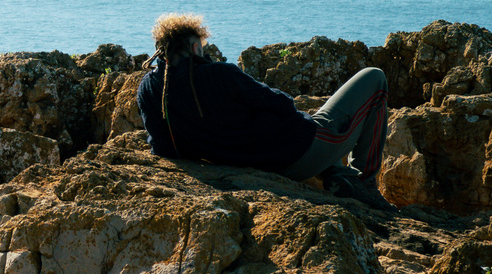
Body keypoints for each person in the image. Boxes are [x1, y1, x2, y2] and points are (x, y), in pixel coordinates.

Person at [136, 13, 391, 207]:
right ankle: (364, 183)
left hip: (255, 165)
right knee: (374, 78)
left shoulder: (149, 89)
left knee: (310, 119)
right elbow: (283, 105)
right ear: (194, 47)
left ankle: (338, 175)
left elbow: (162, 149)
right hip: (297, 154)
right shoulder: (221, 74)